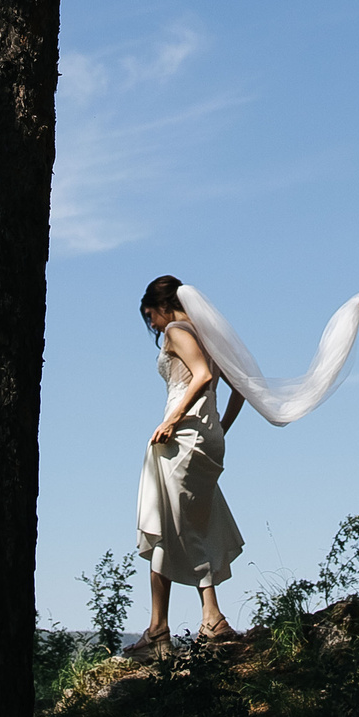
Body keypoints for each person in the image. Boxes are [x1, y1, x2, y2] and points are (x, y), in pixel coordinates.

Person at [127, 274, 246, 655]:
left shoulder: (177, 331)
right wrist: (221, 426)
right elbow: (237, 386)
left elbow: (204, 376)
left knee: (176, 525)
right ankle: (158, 628)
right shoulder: (208, 336)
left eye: (151, 317)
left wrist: (172, 420)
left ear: (162, 306)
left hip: (182, 435)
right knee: (171, 521)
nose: (154, 326)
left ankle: (211, 617)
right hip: (204, 435)